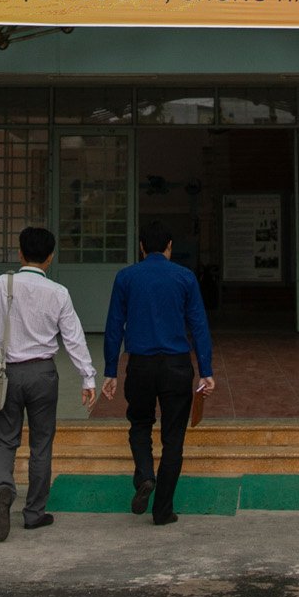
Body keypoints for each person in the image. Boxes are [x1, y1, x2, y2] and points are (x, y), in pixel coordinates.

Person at [0, 225, 98, 541]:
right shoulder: (59, 293)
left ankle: (3, 491)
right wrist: (87, 377)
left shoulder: (1, 284)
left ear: (20, 253)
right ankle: (34, 513)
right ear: (50, 258)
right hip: (43, 375)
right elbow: (74, 339)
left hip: (7, 374)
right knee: (41, 443)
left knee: (5, 439)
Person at [101, 222, 216, 525]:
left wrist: (110, 370)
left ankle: (144, 476)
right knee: (174, 437)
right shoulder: (185, 277)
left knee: (140, 423)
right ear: (169, 247)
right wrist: (206, 370)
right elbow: (199, 326)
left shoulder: (126, 277)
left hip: (140, 364)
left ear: (141, 247)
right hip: (177, 365)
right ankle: (163, 510)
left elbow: (114, 326)